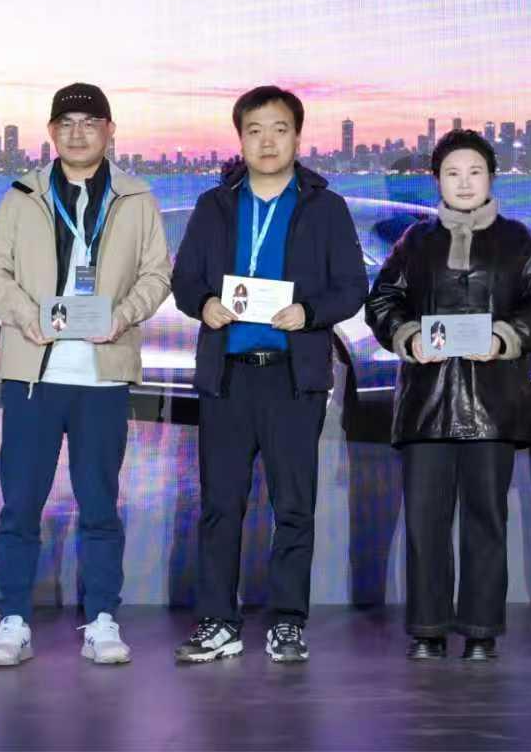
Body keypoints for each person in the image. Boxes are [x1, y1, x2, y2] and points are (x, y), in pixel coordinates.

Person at [0, 83, 172, 667]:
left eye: (90, 122)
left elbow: (157, 274)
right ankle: (13, 621)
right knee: (20, 505)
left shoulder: (137, 197)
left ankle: (102, 619)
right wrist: (24, 315)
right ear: (51, 132)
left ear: (110, 131)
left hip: (103, 376)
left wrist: (123, 315)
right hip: (34, 373)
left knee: (100, 505)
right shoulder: (21, 196)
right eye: (66, 123)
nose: (77, 133)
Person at [169, 85, 368, 665]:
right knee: (219, 505)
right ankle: (217, 622)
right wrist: (203, 303)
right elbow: (184, 280)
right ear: (240, 139)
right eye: (254, 130)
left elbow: (352, 287)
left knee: (294, 505)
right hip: (228, 377)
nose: (267, 141)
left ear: (297, 138)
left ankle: (287, 622)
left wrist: (310, 312)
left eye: (279, 129)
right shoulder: (215, 205)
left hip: (292, 378)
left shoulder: (325, 207)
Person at [364, 130, 531, 661]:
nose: (465, 182)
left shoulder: (517, 240)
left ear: (491, 177)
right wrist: (407, 336)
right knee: (425, 523)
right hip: (426, 404)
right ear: (437, 181)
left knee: (485, 520)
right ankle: (427, 629)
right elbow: (382, 302)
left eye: (475, 172)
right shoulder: (414, 242)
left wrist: (505, 337)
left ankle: (480, 630)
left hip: (493, 406)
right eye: (453, 173)